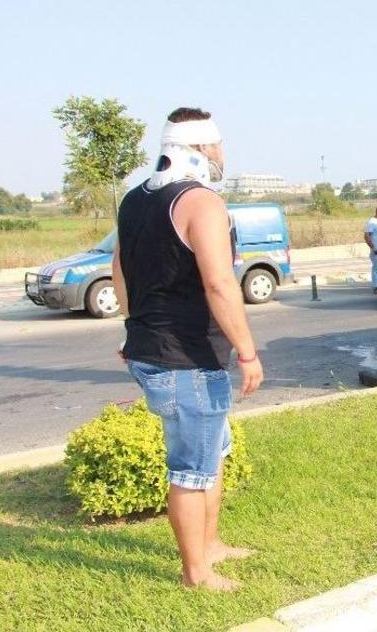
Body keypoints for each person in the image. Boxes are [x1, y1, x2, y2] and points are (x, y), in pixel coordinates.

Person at [112, 107, 264, 591]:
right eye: (218, 145)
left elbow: (120, 270)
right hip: (187, 358)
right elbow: (221, 284)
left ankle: (211, 545)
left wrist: (134, 328)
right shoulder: (202, 203)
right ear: (200, 147)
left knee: (212, 452)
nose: (223, 154)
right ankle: (196, 573)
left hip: (153, 347)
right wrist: (247, 351)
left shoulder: (135, 199)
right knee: (192, 469)